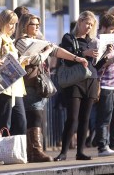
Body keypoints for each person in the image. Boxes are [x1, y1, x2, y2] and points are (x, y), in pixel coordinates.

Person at [15, 13, 84, 162]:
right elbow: (35, 58)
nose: (36, 27)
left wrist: (76, 58)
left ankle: (33, 151)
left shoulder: (37, 40)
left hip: (38, 83)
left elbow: (56, 50)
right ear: (25, 25)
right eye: (33, 24)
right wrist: (46, 50)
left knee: (36, 116)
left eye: (37, 24)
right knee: (35, 115)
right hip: (27, 84)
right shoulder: (21, 41)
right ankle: (35, 151)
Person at [56, 11, 101, 161]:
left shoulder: (93, 41)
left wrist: (105, 56)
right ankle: (63, 152)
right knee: (72, 118)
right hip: (75, 81)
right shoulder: (69, 38)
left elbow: (96, 65)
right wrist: (84, 52)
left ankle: (80, 151)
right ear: (80, 22)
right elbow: (67, 59)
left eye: (91, 24)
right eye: (87, 23)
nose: (89, 27)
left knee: (85, 118)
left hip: (91, 80)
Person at [0, 10, 27, 137]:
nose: (12, 27)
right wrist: (4, 58)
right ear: (3, 23)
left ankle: (14, 152)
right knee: (3, 123)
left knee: (20, 123)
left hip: (15, 85)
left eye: (14, 24)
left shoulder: (8, 39)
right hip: (4, 86)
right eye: (10, 23)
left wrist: (21, 61)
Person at [93, 12, 114, 156]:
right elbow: (96, 65)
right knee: (104, 117)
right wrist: (110, 61)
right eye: (112, 30)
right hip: (105, 84)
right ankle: (103, 146)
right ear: (104, 27)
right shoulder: (97, 41)